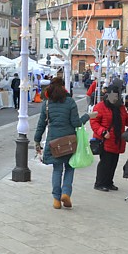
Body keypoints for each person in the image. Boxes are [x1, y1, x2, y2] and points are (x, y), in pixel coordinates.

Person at [34, 77, 91, 209]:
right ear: (63, 87)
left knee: (57, 169)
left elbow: (41, 124)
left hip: (54, 141)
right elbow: (76, 123)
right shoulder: (70, 101)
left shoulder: (47, 104)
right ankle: (66, 193)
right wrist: (87, 116)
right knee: (70, 167)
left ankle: (56, 199)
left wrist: (37, 140)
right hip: (69, 140)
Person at [90, 79, 128, 192]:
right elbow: (94, 122)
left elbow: (127, 118)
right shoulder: (100, 107)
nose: (115, 98)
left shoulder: (120, 107)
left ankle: (109, 182)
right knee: (105, 162)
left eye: (117, 96)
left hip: (118, 139)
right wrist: (102, 131)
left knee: (113, 162)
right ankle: (100, 183)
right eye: (113, 96)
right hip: (105, 139)